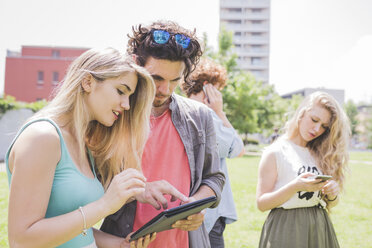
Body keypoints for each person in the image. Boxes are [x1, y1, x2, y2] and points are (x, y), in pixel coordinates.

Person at [5, 47, 157, 248]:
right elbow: (22, 239)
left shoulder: (82, 142)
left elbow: (72, 229)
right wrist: (104, 205)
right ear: (87, 82)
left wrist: (120, 244)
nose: (127, 105)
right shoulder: (42, 137)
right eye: (121, 91)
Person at [100, 21, 225, 248]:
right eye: (156, 79)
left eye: (175, 80)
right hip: (123, 241)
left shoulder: (201, 117)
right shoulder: (114, 114)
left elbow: (214, 178)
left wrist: (194, 206)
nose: (165, 90)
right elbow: (90, 183)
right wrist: (137, 190)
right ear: (137, 65)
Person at [256, 91, 350, 248]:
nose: (317, 129)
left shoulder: (320, 153)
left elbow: (328, 203)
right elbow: (261, 203)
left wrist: (333, 194)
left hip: (319, 225)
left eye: (324, 127)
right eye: (314, 120)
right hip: (287, 227)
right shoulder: (276, 152)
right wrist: (296, 186)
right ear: (302, 112)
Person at [182, 57, 245, 248]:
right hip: (208, 210)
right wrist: (220, 111)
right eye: (217, 88)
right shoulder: (205, 114)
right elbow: (237, 149)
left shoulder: (180, 110)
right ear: (208, 87)